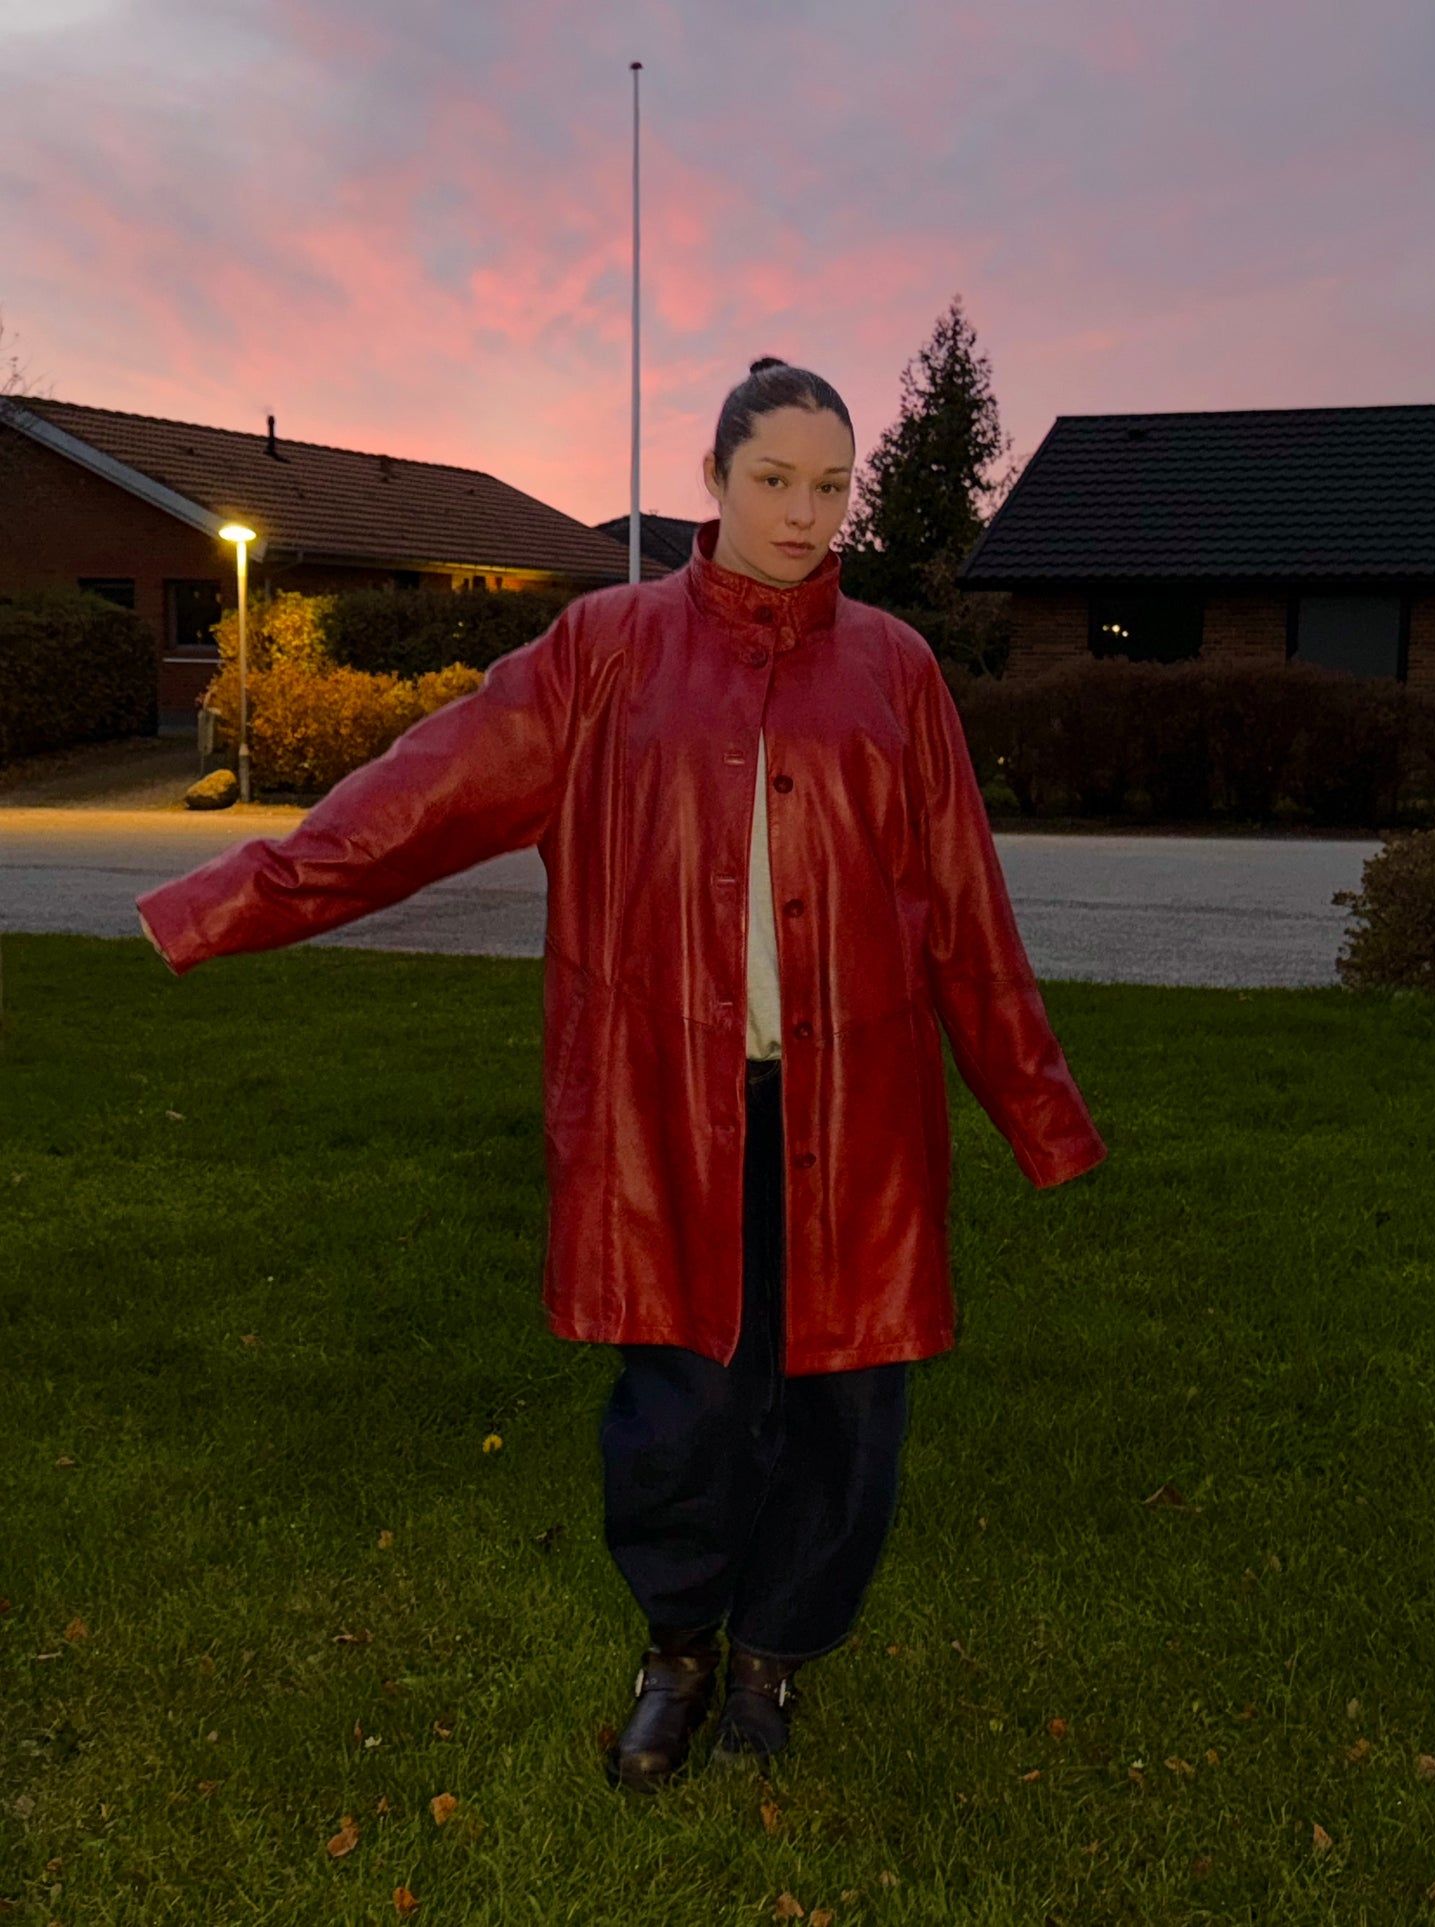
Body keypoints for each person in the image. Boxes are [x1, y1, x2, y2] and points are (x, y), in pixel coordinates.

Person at [137, 356, 1108, 1796]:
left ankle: (774, 1657)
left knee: (846, 1407)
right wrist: (219, 903)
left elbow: (964, 909)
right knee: (683, 1409)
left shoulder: (895, 670)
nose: (803, 512)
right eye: (773, 480)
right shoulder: (605, 651)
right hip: (668, 1113)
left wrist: (1038, 1110)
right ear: (712, 479)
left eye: (830, 485)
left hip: (859, 1116)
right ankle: (679, 1650)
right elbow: (413, 803)